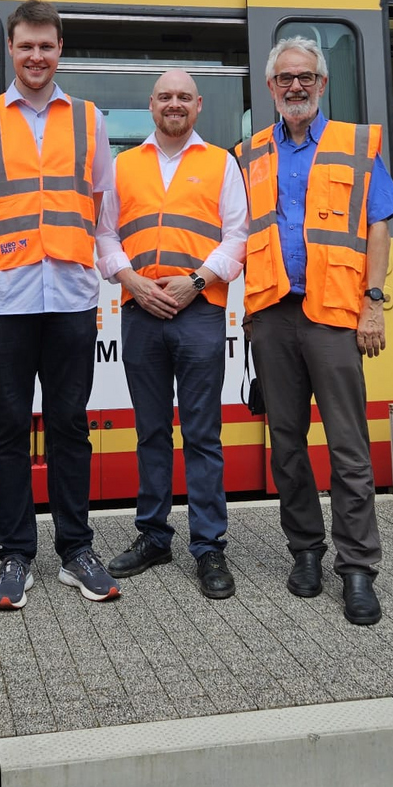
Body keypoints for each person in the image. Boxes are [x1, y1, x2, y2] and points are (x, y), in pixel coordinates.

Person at [0, 0, 121, 609]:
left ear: (60, 50)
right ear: (11, 50)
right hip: (3, 297)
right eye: (25, 46)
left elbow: (102, 208)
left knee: (69, 425)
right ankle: (14, 554)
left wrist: (115, 275)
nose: (35, 56)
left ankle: (76, 549)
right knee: (6, 429)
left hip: (72, 295)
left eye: (46, 46)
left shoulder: (88, 120)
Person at [235, 36, 393, 626]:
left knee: (349, 449)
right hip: (274, 315)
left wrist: (374, 302)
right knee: (286, 444)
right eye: (285, 78)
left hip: (334, 315)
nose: (296, 87)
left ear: (322, 84)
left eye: (306, 77)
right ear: (271, 87)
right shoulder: (251, 152)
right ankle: (305, 551)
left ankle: (357, 569)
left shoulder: (357, 145)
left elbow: (380, 223)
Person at [97, 69, 248, 598]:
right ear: (151, 105)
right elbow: (105, 235)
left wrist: (195, 281)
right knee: (151, 432)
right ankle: (154, 537)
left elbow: (238, 235)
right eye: (166, 97)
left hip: (199, 310)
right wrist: (133, 282)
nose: (174, 104)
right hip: (140, 312)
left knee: (203, 435)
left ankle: (209, 547)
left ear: (199, 105)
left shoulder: (221, 163)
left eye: (184, 97)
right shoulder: (122, 166)